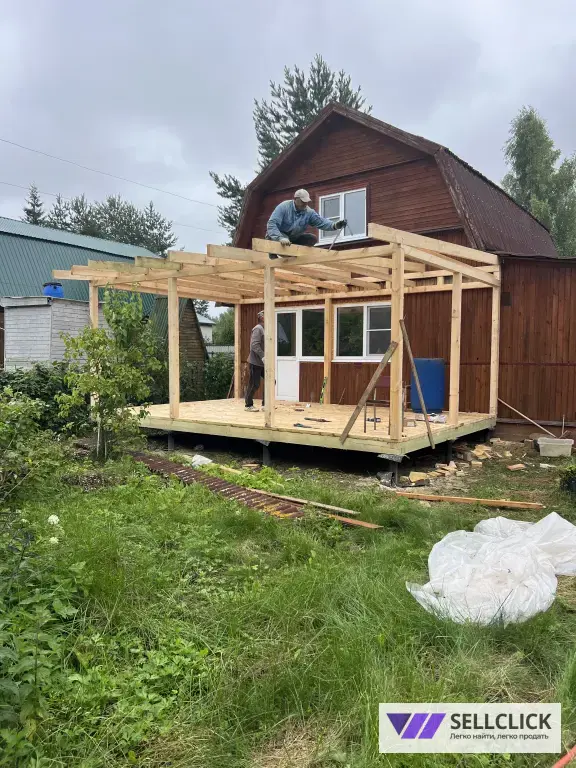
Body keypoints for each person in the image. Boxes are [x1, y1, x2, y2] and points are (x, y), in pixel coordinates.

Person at [266, 188, 347, 258]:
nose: (305, 204)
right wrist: (280, 238)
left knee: (311, 239)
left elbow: (321, 222)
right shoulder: (284, 207)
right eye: (303, 201)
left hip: (292, 239)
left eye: (306, 202)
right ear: (295, 199)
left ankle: (293, 254)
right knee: (283, 239)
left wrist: (335, 225)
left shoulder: (308, 212)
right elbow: (272, 224)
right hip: (277, 236)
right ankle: (274, 253)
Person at [245, 310, 265, 411]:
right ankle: (248, 405)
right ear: (262, 317)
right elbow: (254, 345)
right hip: (255, 362)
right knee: (254, 384)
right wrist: (263, 356)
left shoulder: (265, 329)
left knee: (271, 381)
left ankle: (266, 404)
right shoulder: (258, 329)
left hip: (263, 363)